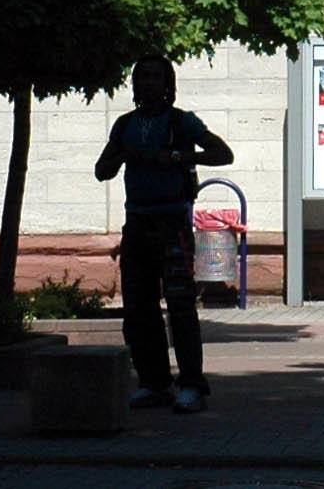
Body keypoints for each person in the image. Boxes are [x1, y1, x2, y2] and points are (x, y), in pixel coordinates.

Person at [95, 55, 234, 412]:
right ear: (135, 84)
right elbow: (102, 171)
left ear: (168, 84)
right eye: (143, 78)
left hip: (173, 225)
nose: (149, 84)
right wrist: (124, 154)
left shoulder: (181, 122)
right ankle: (154, 382)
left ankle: (191, 384)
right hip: (137, 225)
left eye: (156, 77)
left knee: (181, 305)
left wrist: (178, 157)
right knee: (139, 309)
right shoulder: (125, 125)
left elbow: (222, 153)